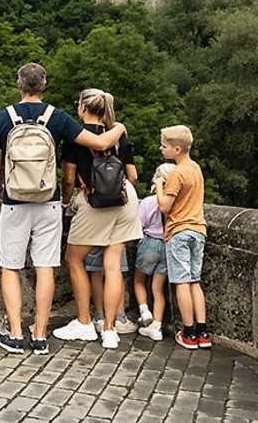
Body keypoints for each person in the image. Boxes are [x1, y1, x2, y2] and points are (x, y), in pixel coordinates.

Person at [0, 64, 127, 356]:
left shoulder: (3, 118)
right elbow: (101, 142)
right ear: (44, 86)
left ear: (19, 85)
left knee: (10, 266)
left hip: (14, 202)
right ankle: (40, 336)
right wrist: (119, 128)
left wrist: (0, 188)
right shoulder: (57, 117)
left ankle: (14, 334)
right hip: (48, 201)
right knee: (45, 266)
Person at [53, 88, 142, 350]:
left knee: (74, 259)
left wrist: (67, 202)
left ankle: (84, 322)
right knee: (113, 264)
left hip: (95, 201)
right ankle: (110, 330)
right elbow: (133, 175)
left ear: (83, 107)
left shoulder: (75, 137)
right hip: (126, 198)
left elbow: (69, 178)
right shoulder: (119, 135)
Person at [157, 125, 210, 350]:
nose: (161, 149)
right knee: (194, 281)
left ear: (177, 149)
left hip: (179, 230)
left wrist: (159, 184)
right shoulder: (195, 168)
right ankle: (202, 331)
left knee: (181, 282)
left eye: (164, 146)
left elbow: (164, 206)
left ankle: (188, 333)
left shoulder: (177, 173)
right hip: (198, 229)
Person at [135, 163, 175, 342]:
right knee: (158, 289)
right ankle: (156, 327)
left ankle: (144, 311)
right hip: (167, 245)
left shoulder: (148, 202)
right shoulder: (175, 203)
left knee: (139, 280)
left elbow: (139, 224)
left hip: (149, 242)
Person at [84, 246, 138, 336]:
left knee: (97, 273)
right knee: (116, 270)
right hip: (116, 235)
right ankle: (120, 319)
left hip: (96, 235)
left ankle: (99, 317)